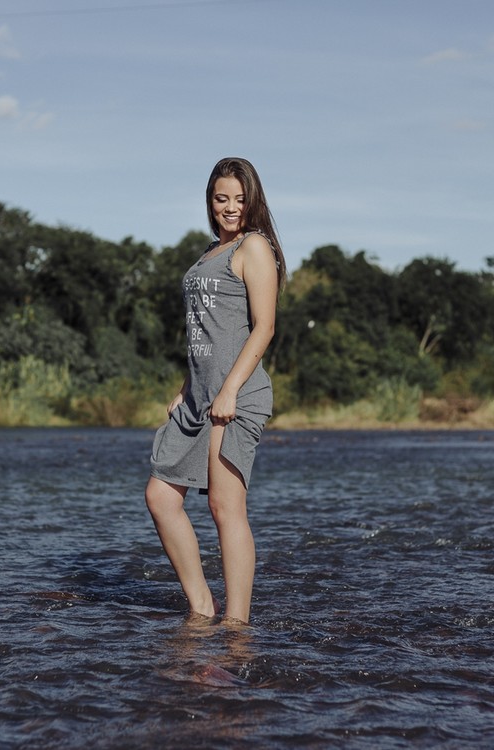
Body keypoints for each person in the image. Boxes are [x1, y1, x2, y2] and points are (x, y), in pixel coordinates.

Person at [146, 157, 286, 625]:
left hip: (236, 396)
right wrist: (187, 388)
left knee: (225, 507)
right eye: (221, 198)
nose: (230, 208)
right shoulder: (210, 251)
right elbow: (205, 332)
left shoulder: (254, 248)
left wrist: (227, 392)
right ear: (210, 201)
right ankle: (202, 606)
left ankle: (237, 623)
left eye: (240, 199)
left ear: (253, 201)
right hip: (199, 396)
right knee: (161, 496)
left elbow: (263, 329)